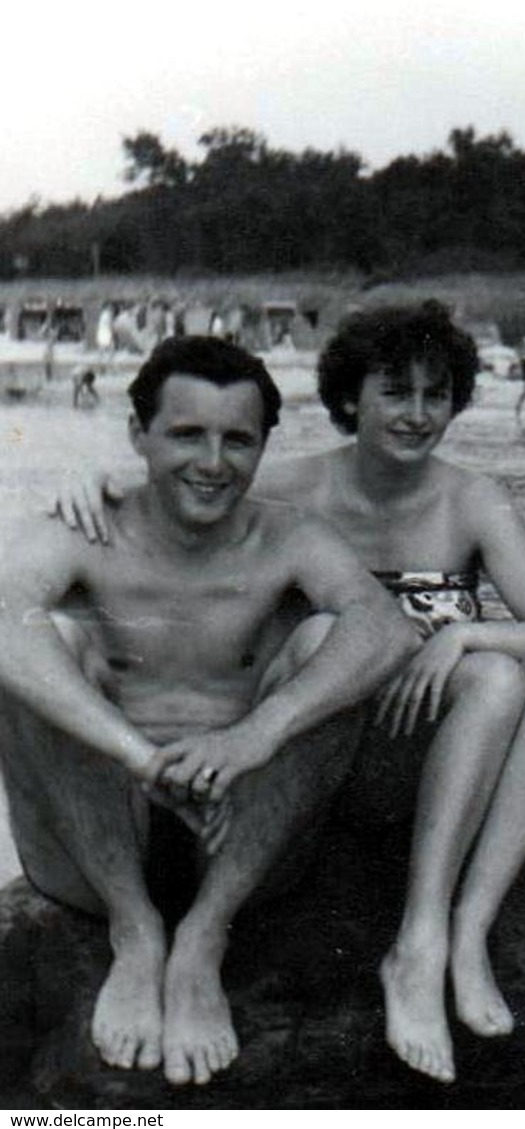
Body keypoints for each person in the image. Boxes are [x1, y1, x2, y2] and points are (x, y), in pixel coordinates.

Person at [52, 304, 525, 1085]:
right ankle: (410, 937)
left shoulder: (470, 500)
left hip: (423, 751)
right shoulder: (294, 486)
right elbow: (180, 478)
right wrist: (85, 481)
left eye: (435, 394)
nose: (417, 414)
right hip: (316, 753)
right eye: (395, 392)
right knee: (341, 644)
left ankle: (445, 933)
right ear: (352, 397)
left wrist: (462, 633)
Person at [0, 336, 419, 1086]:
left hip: (243, 838)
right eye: (187, 434)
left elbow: (385, 626)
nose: (213, 461)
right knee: (42, 643)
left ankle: (201, 938)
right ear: (139, 436)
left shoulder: (287, 535)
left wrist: (255, 735)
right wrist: (137, 754)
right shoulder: (85, 526)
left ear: (263, 447)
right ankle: (135, 932)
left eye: (237, 440)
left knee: (333, 643)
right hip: (94, 835)